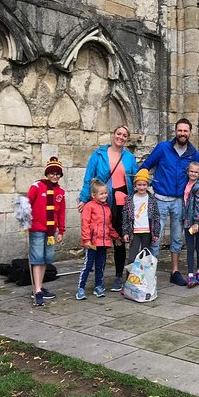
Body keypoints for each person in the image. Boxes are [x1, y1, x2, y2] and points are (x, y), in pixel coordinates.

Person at [139, 118, 199, 286]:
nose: (182, 133)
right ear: (175, 131)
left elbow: (197, 178)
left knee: (177, 238)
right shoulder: (163, 148)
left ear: (190, 132)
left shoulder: (193, 153)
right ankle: (149, 273)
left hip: (180, 201)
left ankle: (174, 272)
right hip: (160, 199)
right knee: (155, 237)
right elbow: (146, 166)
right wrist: (147, 184)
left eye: (185, 131)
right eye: (179, 130)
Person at [78, 125, 139, 293]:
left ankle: (119, 276)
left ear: (127, 139)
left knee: (119, 239)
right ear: (113, 135)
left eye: (124, 135)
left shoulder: (129, 157)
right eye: (118, 133)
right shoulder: (99, 155)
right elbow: (89, 177)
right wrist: (84, 198)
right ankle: (99, 279)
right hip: (104, 201)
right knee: (100, 239)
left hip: (123, 203)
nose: (121, 137)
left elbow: (137, 178)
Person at [27, 156, 66, 306]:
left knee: (45, 259)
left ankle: (39, 286)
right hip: (37, 228)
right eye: (52, 173)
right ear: (47, 173)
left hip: (51, 232)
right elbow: (27, 203)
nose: (54, 176)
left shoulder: (60, 192)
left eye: (57, 174)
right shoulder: (37, 186)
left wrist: (61, 230)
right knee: (37, 258)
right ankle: (36, 290)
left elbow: (61, 212)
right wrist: (25, 220)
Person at [76, 180, 121, 300]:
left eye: (106, 193)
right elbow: (85, 224)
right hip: (92, 242)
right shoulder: (89, 207)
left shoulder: (107, 209)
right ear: (94, 195)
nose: (105, 195)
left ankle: (98, 286)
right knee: (88, 265)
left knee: (100, 266)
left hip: (103, 242)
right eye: (101, 194)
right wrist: (86, 240)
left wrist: (116, 236)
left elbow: (108, 226)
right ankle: (81, 288)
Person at [121, 169, 161, 272]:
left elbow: (156, 216)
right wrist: (125, 232)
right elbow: (125, 216)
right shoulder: (130, 199)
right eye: (139, 184)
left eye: (144, 185)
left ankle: (144, 281)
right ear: (135, 185)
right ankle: (130, 281)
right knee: (132, 258)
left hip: (147, 232)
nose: (142, 187)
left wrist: (156, 233)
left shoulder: (152, 199)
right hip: (134, 232)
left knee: (145, 257)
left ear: (147, 185)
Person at [182, 162, 199, 288]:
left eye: (196, 172)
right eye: (192, 171)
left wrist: (197, 222)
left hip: (198, 221)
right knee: (190, 248)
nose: (193, 174)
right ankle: (190, 275)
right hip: (187, 220)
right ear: (188, 172)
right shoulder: (186, 184)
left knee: (198, 246)